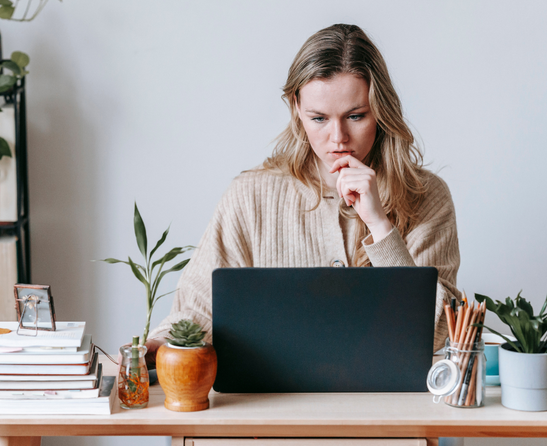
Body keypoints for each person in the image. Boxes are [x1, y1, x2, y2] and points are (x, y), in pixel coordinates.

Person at [145, 23, 460, 366]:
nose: (338, 137)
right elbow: (197, 308)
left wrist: (380, 225)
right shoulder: (250, 196)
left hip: (388, 406)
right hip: (273, 407)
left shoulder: (426, 195)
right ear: (296, 107)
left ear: (381, 110)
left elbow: (440, 332)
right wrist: (152, 349)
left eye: (356, 116)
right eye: (319, 118)